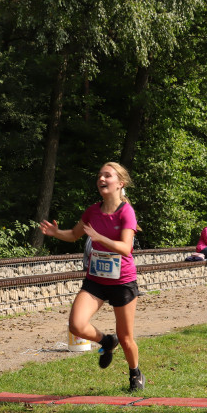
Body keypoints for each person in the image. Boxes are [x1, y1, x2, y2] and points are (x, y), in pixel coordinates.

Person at [40, 162, 145, 391]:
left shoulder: (126, 211)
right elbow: (75, 234)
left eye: (108, 175)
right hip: (96, 279)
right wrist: (56, 233)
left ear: (120, 183)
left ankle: (135, 373)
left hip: (122, 281)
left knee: (126, 338)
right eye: (100, 175)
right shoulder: (92, 211)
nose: (102, 179)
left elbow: (126, 248)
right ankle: (106, 341)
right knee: (76, 325)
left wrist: (98, 237)